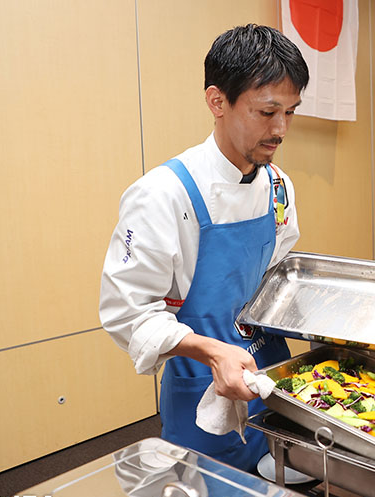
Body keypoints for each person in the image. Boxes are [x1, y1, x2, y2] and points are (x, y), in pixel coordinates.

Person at [99, 24, 309, 473]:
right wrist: (213, 352)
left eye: (291, 112)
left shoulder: (278, 186)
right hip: (202, 389)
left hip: (274, 379)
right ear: (217, 101)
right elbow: (127, 314)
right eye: (267, 111)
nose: (281, 128)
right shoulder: (164, 194)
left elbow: (277, 278)